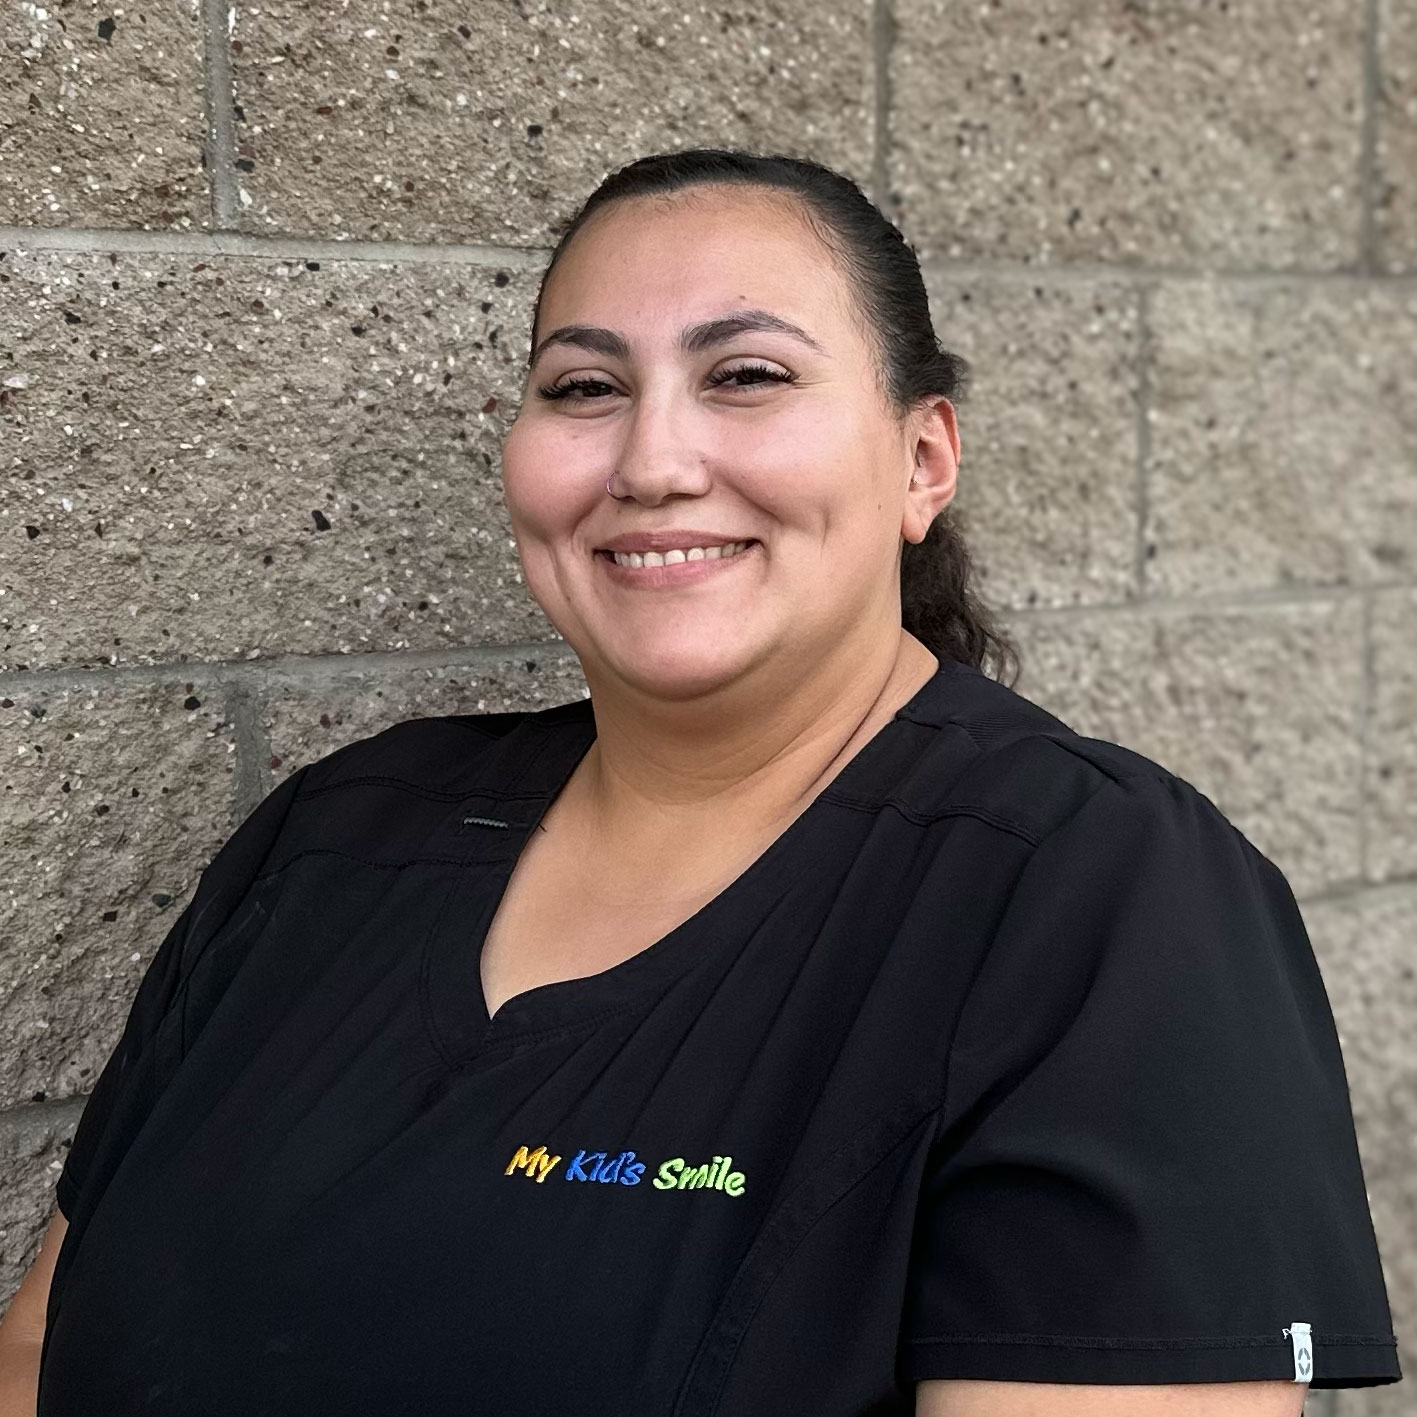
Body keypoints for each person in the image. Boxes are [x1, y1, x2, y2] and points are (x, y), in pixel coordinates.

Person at [2, 148, 1401, 1416]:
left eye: (745, 376)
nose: (651, 460)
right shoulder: (335, 840)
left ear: (922, 459)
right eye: (584, 387)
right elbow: (38, 1352)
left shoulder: (1096, 897)